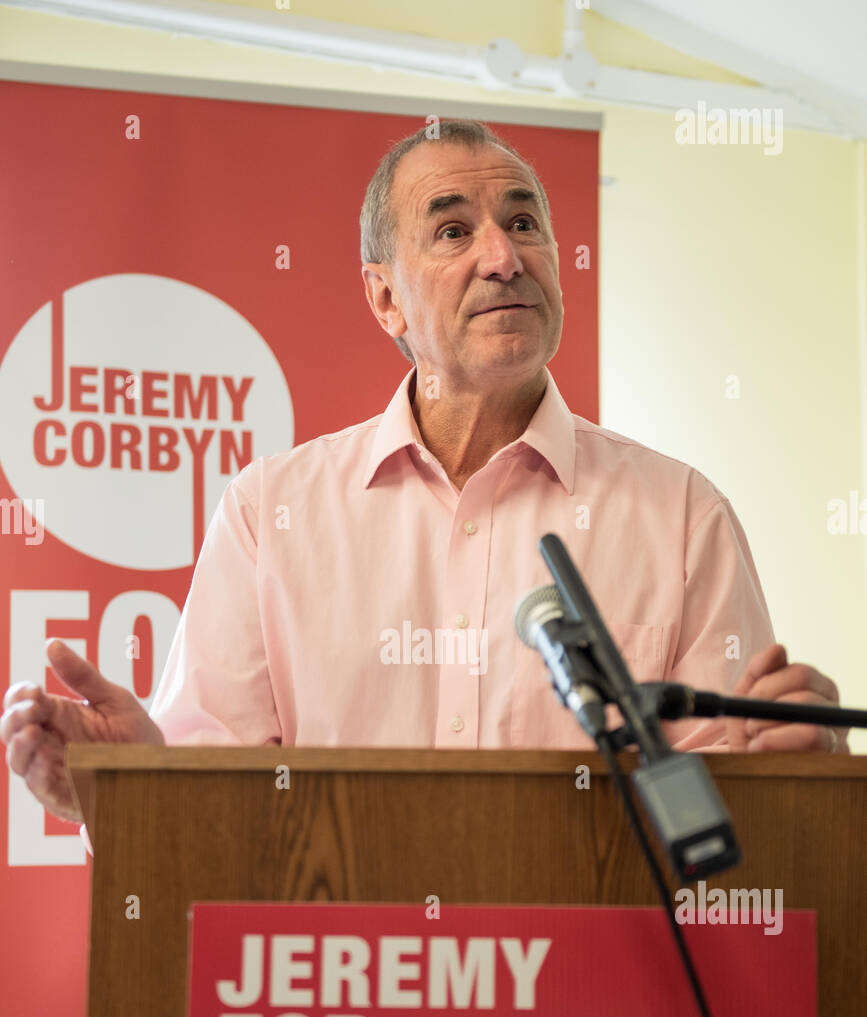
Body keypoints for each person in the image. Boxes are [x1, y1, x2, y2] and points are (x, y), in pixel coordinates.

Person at [1, 120, 849, 835]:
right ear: (384, 301)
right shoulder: (271, 512)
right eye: (452, 231)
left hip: (599, 1003)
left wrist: (796, 784)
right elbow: (211, 806)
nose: (503, 256)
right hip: (337, 1007)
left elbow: (720, 814)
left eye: (524, 223)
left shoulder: (681, 515)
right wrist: (127, 788)